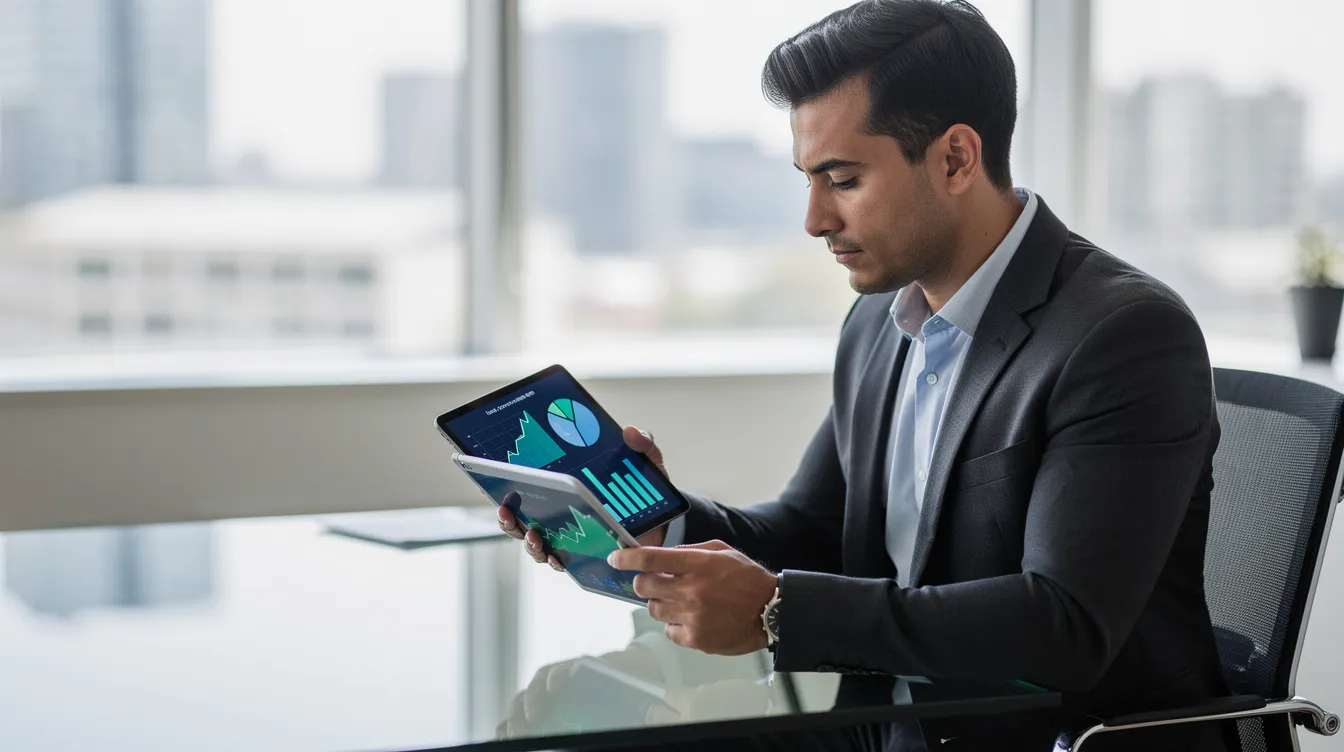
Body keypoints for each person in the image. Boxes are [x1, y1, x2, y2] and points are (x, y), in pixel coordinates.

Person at [501, 1, 1230, 749]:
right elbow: (814, 529)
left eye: (842, 179)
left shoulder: (1123, 336)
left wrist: (779, 610)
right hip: (890, 723)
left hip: (1049, 737)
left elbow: (1065, 626)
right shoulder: (882, 320)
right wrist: (660, 521)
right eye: (807, 179)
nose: (814, 219)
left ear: (954, 159)